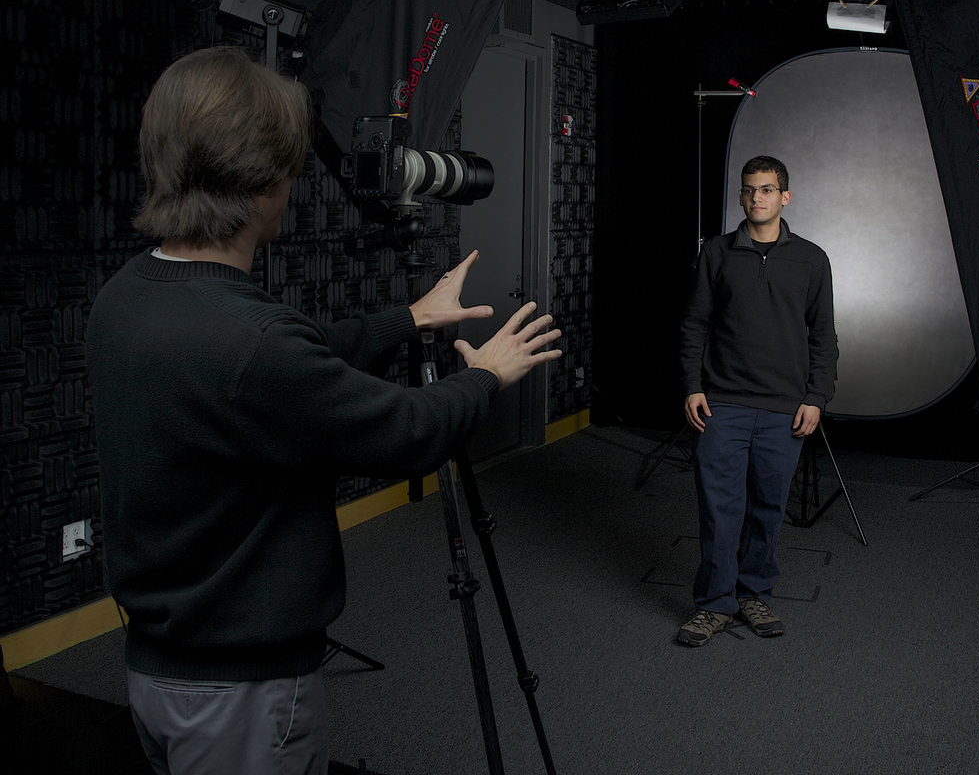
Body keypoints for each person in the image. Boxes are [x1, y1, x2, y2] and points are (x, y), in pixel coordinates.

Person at [84, 46, 561, 774]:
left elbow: (295, 360)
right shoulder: (254, 344)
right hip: (239, 696)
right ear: (268, 178)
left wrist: (406, 320)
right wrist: (486, 377)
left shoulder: (129, 295)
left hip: (157, 668)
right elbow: (408, 432)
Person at [676, 155, 838, 647]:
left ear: (784, 196)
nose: (757, 199)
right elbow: (694, 326)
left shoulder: (812, 259)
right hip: (722, 403)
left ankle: (753, 593)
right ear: (741, 197)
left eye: (767, 190)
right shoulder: (717, 254)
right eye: (749, 191)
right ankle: (714, 604)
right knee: (720, 508)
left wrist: (816, 396)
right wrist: (691, 385)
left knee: (768, 507)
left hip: (784, 408)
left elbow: (823, 337)